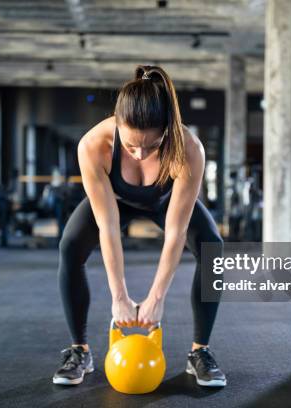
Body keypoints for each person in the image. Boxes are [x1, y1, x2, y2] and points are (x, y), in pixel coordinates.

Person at [52, 65, 226, 387]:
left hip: (164, 201)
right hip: (115, 201)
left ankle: (200, 352)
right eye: (131, 147)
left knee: (212, 247)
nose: (140, 154)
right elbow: (108, 226)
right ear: (117, 125)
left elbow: (175, 232)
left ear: (167, 131)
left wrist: (156, 297)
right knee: (70, 246)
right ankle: (80, 350)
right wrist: (119, 295)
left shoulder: (189, 149)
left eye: (152, 146)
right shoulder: (93, 146)